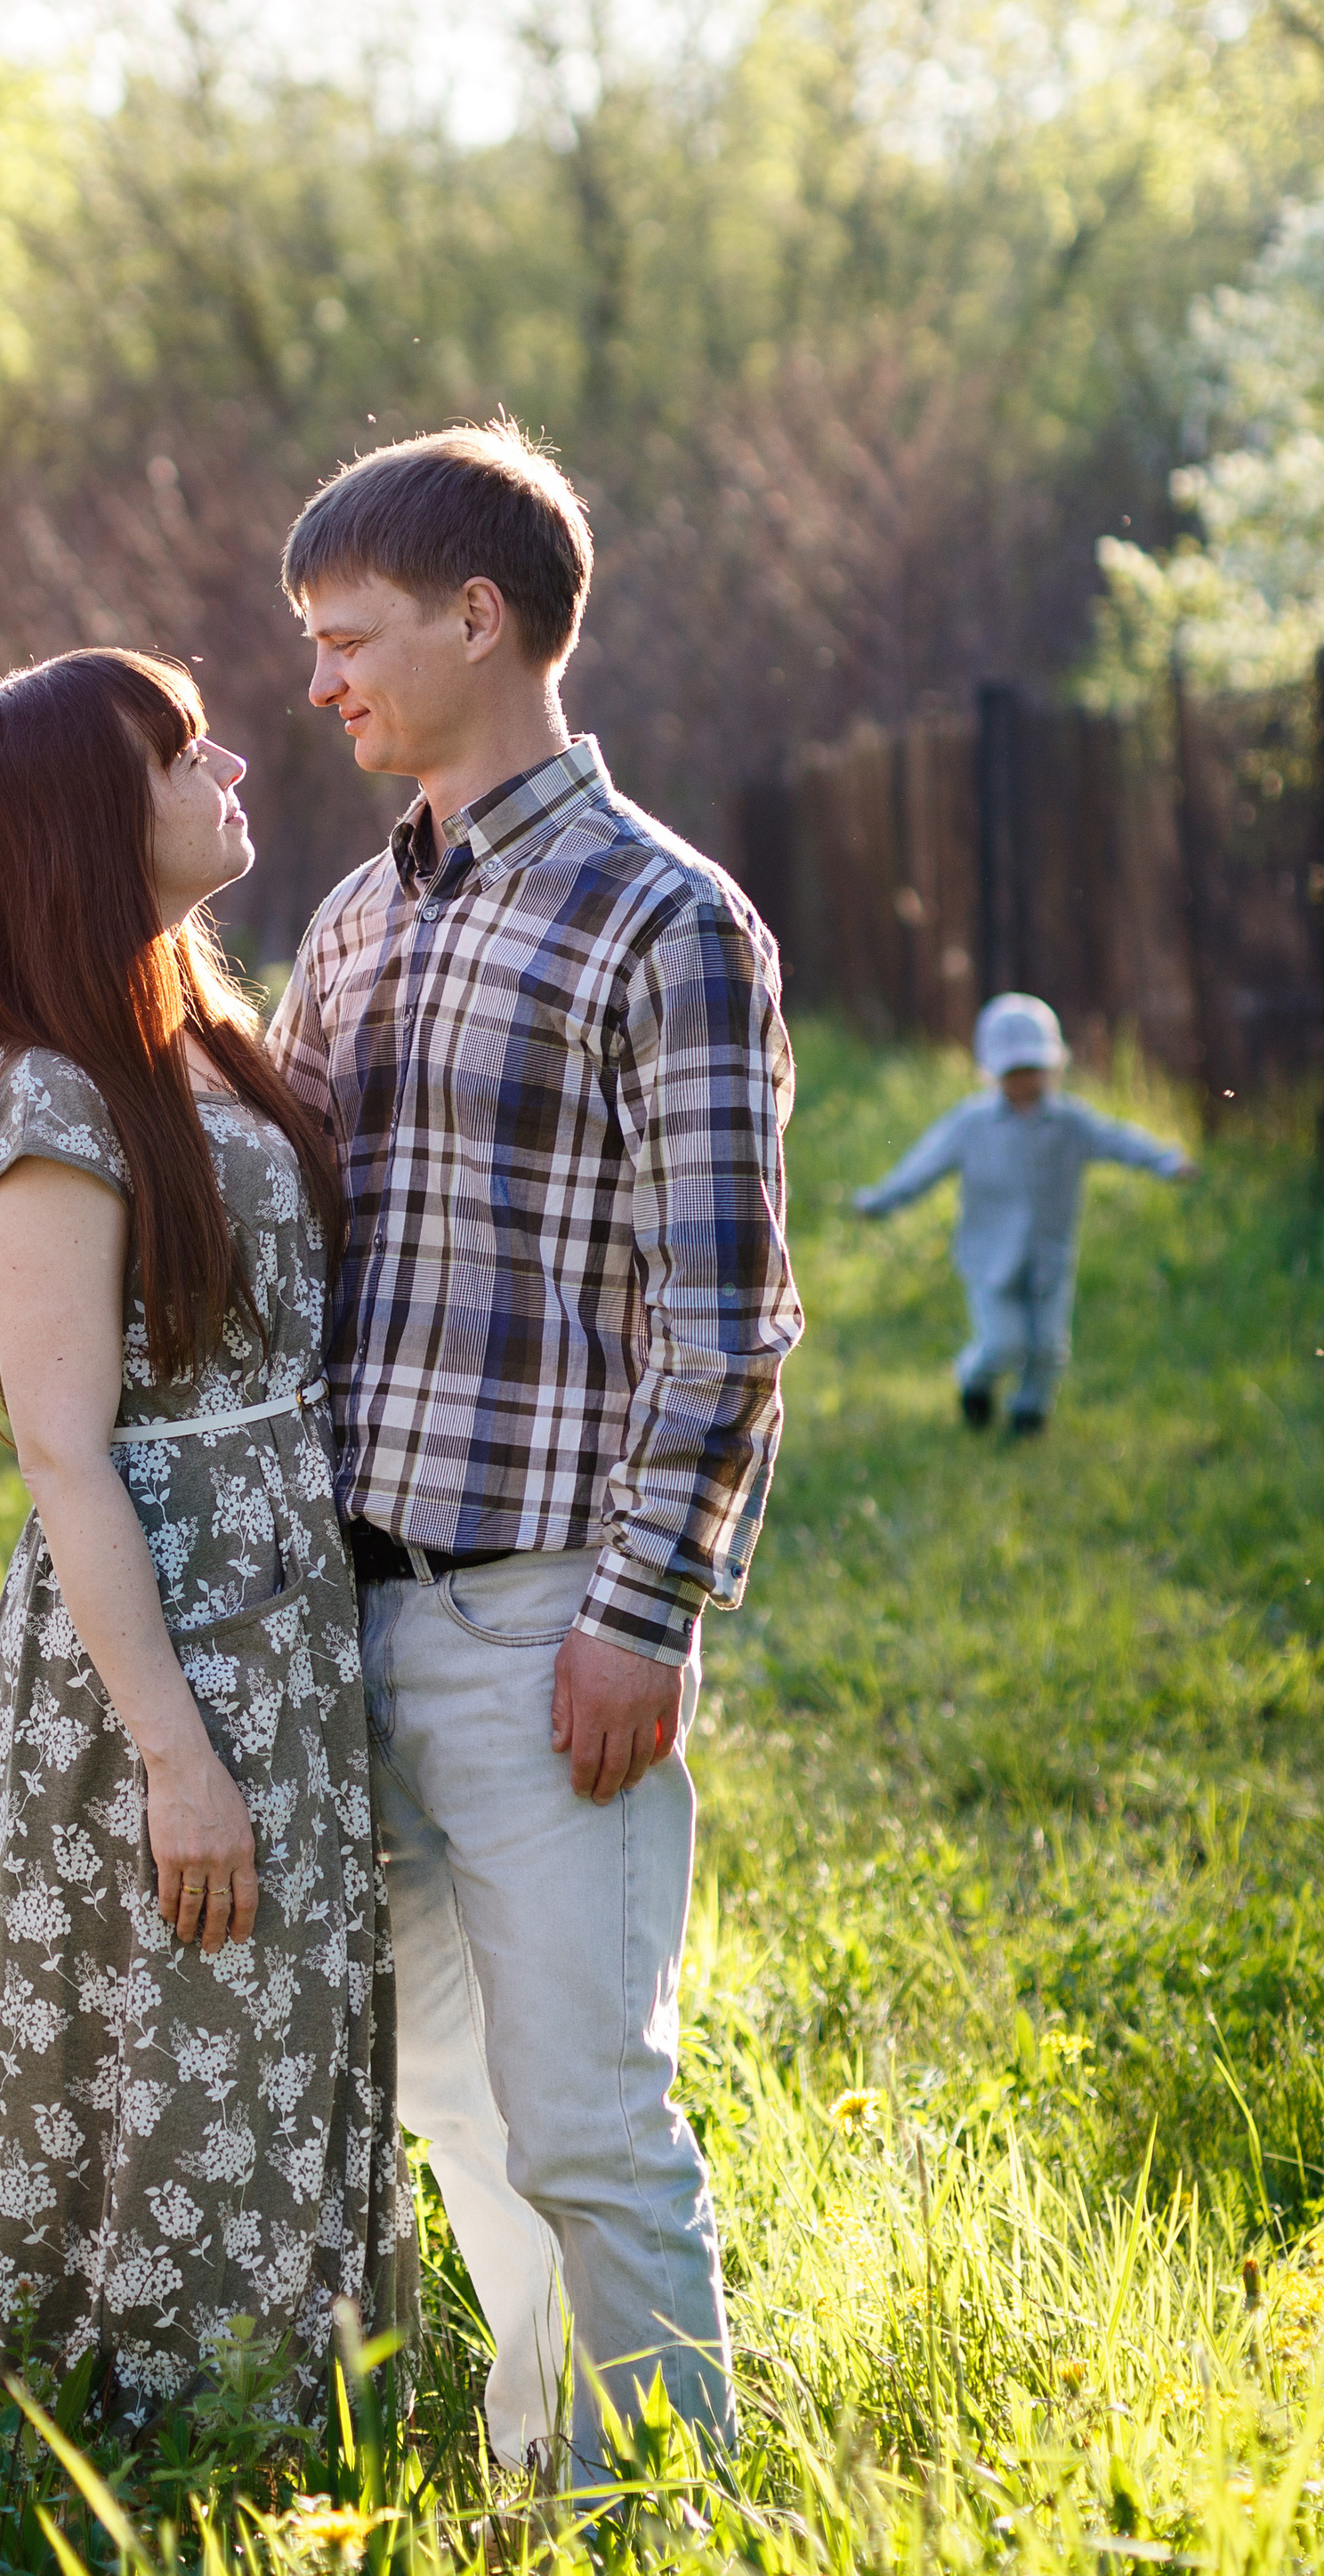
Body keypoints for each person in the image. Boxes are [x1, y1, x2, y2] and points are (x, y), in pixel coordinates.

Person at [267, 422, 800, 2489]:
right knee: (457, 2109)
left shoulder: (661, 917)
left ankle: (663, 2511)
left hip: (538, 1630)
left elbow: (722, 1310)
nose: (322, 679)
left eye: (348, 635)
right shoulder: (346, 921)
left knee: (584, 2111)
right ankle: (535, 2467)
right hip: (352, 1620)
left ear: (477, 617)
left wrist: (638, 1612)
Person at [0, 647, 416, 2432]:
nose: (225, 766)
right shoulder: (50, 1096)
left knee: (280, 2034)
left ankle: (308, 2431)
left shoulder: (206, 1037)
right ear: (80, 817)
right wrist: (172, 1758)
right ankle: (148, 2458)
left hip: (277, 1623)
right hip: (162, 1653)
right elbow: (62, 1451)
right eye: (172, 750)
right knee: (174, 2046)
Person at [852, 989, 1197, 1435]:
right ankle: (973, 1381)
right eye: (1013, 1071)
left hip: (1049, 1255)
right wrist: (880, 1200)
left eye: (1033, 1070)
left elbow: (1118, 1140)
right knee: (1002, 1343)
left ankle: (1029, 1414)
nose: (1024, 1081)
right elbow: (925, 1164)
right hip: (989, 1256)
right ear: (993, 1072)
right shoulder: (972, 1124)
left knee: (1049, 1347)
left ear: (1052, 1067)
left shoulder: (1070, 1123)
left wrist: (1166, 1161)